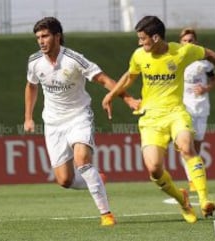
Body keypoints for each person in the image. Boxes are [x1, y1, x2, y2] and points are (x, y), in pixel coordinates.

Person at [102, 16, 215, 223]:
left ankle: (205, 200)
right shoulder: (139, 55)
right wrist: (111, 95)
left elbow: (209, 54)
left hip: (176, 113)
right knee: (154, 169)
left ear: (155, 37)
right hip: (151, 118)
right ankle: (183, 201)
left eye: (142, 38)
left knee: (187, 147)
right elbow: (130, 75)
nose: (139, 43)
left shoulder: (181, 51)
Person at [24, 17, 139, 226]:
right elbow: (31, 86)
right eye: (38, 37)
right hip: (53, 123)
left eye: (45, 36)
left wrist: (128, 98)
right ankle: (96, 179)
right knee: (64, 180)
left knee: (82, 160)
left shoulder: (74, 59)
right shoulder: (34, 62)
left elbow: (104, 79)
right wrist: (28, 117)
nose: (41, 41)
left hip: (79, 116)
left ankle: (106, 214)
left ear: (57, 36)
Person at [179, 27, 215, 192]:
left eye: (191, 40)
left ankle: (195, 178)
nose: (188, 43)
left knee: (197, 147)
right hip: (184, 107)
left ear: (196, 42)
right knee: (186, 145)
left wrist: (206, 88)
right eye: (185, 40)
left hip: (201, 107)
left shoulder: (205, 63)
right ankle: (192, 180)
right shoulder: (177, 61)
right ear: (180, 43)